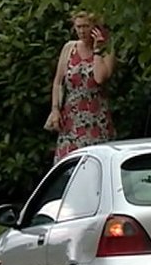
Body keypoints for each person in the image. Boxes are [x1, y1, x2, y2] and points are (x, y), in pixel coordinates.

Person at [44, 11, 116, 163]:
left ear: (95, 28)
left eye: (86, 26)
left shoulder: (107, 50)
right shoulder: (69, 48)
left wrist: (97, 50)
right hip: (71, 119)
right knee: (68, 165)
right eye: (78, 27)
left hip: (96, 119)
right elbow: (58, 82)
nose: (82, 31)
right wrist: (55, 109)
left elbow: (99, 78)